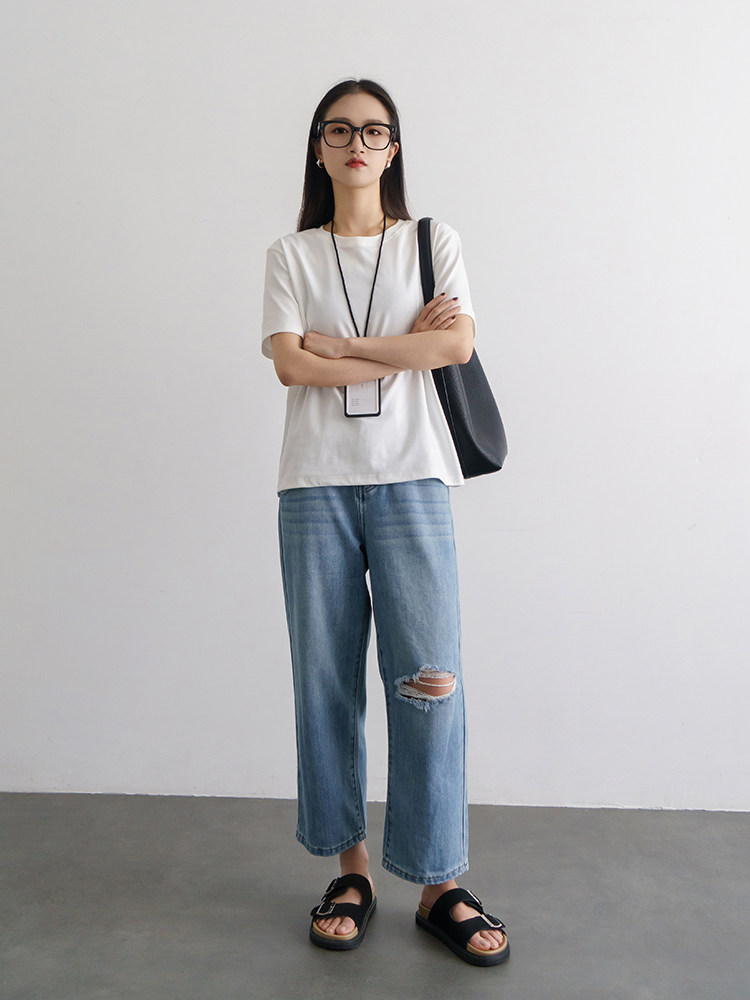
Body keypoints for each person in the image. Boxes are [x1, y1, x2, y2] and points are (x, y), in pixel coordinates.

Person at [261, 78, 509, 967]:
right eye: (339, 130)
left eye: (374, 131)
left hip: (414, 480)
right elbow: (291, 367)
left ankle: (440, 883)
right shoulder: (291, 255)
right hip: (314, 487)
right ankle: (351, 872)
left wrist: (340, 345)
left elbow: (455, 344)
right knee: (325, 682)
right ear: (319, 148)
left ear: (393, 148)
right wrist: (396, 346)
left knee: (430, 680)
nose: (357, 144)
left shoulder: (431, 243)